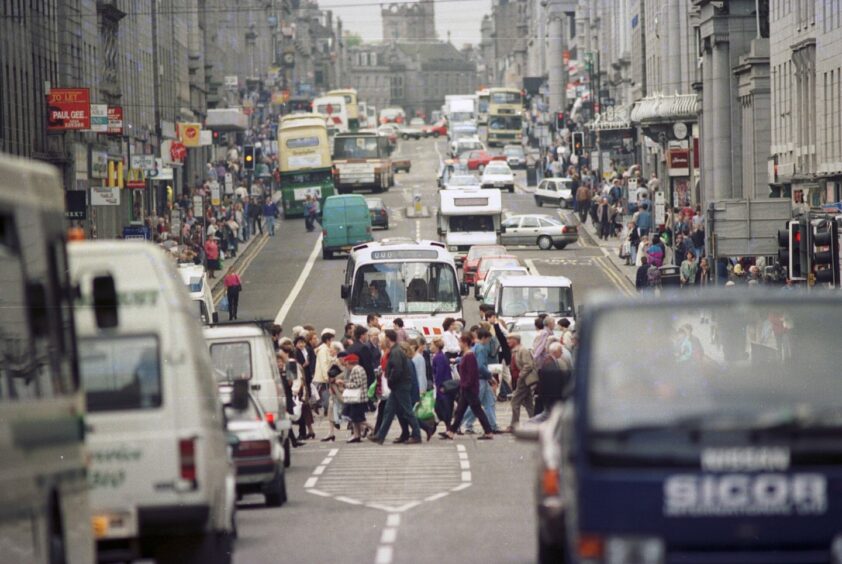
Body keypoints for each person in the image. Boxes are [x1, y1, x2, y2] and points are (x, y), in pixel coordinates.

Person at [368, 330, 422, 445]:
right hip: (398, 386)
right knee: (389, 410)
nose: (383, 341)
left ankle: (417, 435)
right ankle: (380, 436)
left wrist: (390, 380)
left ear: (388, 339)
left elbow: (397, 369)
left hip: (400, 385)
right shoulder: (395, 350)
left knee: (407, 411)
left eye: (384, 338)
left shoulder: (396, 352)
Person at [440, 334, 494, 441]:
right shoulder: (466, 355)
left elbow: (471, 374)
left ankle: (488, 431)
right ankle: (451, 432)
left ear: (465, 343)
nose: (459, 344)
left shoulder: (470, 356)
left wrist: (464, 385)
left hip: (469, 389)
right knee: (460, 411)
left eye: (460, 342)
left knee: (477, 410)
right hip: (466, 388)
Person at [461, 328, 499, 434]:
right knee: (476, 404)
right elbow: (480, 365)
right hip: (482, 379)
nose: (488, 342)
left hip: (481, 379)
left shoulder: (474, 347)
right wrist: (490, 376)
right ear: (484, 338)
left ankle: (493, 425)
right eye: (488, 339)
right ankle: (460, 424)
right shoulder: (481, 348)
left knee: (489, 402)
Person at [506, 333, 536, 431]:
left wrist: (520, 376)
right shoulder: (515, 351)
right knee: (528, 403)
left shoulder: (523, 350)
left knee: (515, 402)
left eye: (510, 339)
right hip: (520, 380)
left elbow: (528, 365)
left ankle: (514, 425)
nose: (508, 341)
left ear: (515, 340)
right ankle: (535, 422)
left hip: (524, 380)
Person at [534, 342, 573, 418]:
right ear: (555, 352)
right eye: (560, 351)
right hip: (550, 396)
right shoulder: (549, 363)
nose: (562, 353)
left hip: (549, 395)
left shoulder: (551, 360)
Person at [313, 328, 336, 441]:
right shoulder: (323, 350)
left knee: (331, 406)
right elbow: (324, 366)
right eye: (332, 339)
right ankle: (331, 430)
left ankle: (332, 430)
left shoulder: (327, 349)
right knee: (329, 405)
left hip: (328, 380)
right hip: (325, 381)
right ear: (327, 340)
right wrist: (328, 378)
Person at [340, 353, 368, 443]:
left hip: (357, 398)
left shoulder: (355, 370)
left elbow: (357, 384)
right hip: (360, 397)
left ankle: (373, 429)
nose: (346, 366)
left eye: (346, 364)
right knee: (355, 418)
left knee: (359, 419)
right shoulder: (360, 368)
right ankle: (357, 435)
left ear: (349, 363)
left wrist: (344, 384)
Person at [293, 336, 315, 440]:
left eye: (303, 342)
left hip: (303, 385)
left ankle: (307, 431)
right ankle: (309, 431)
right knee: (305, 409)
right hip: (302, 385)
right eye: (299, 343)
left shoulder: (305, 351)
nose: (302, 345)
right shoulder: (296, 353)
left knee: (304, 409)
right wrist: (304, 365)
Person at [430, 338, 456, 428]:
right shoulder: (441, 356)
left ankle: (444, 427)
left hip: (443, 386)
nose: (430, 347)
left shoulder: (438, 357)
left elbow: (439, 373)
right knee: (441, 407)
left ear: (436, 346)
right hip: (445, 384)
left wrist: (438, 386)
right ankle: (442, 426)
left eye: (432, 345)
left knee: (442, 407)